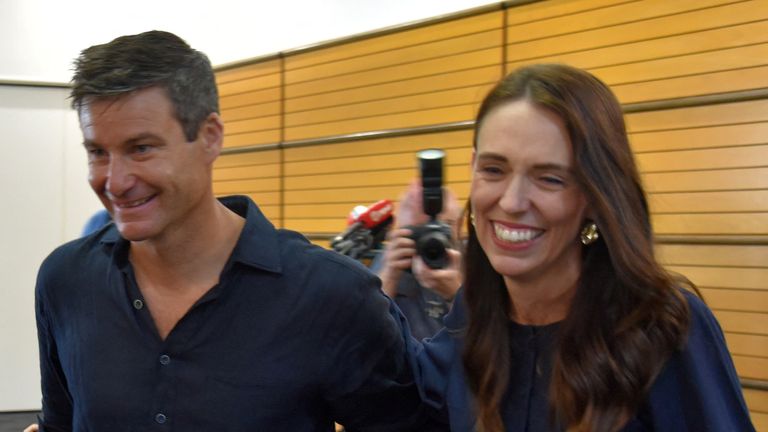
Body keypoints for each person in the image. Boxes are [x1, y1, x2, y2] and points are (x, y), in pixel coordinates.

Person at [34, 30, 438, 431]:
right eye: (97, 152)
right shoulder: (65, 281)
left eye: (141, 148)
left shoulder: (333, 296)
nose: (115, 180)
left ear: (209, 138)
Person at [407, 64, 756, 431]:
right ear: (473, 167)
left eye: (550, 178)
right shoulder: (473, 312)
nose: (512, 201)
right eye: (494, 170)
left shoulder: (663, 329)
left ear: (594, 195)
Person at [371, 180, 462, 340]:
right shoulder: (390, 260)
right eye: (420, 231)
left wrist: (456, 295)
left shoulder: (471, 264)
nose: (431, 242)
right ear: (399, 231)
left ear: (457, 227)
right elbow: (363, 333)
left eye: (441, 229)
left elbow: (486, 340)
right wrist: (389, 276)